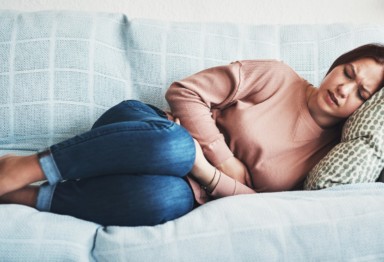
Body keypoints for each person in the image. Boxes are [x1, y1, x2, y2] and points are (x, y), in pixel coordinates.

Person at [0, 44, 383, 227]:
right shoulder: (278, 77)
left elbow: (262, 204)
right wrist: (224, 159)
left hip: (190, 186)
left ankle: (27, 196)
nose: (345, 89)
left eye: (362, 93)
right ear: (337, 64)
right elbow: (185, 92)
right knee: (175, 146)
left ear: (366, 108)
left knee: (162, 201)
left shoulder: (329, 159)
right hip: (145, 131)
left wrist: (205, 171)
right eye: (348, 72)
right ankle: (22, 166)